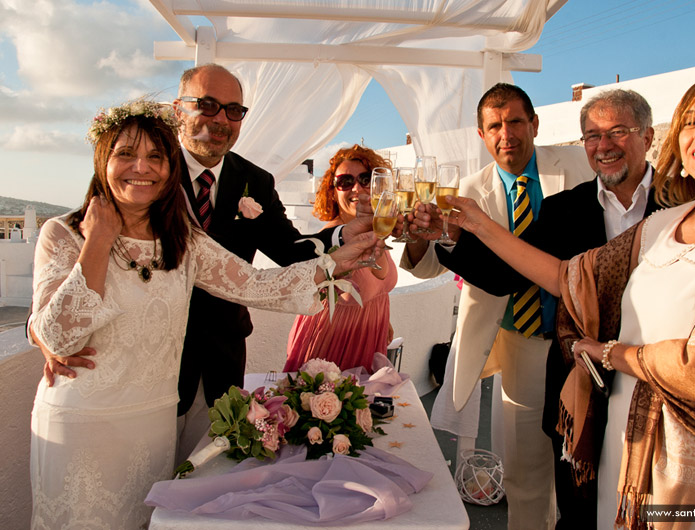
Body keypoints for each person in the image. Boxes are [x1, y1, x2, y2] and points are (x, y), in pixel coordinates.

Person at [446, 69, 695, 529]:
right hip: (612, 425)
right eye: (691, 121)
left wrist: (610, 353)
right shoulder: (661, 226)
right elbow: (564, 276)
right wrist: (472, 224)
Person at [27, 101, 375, 529]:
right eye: (125, 154)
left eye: (156, 156)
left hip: (152, 422)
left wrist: (335, 263)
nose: (142, 167)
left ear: (170, 169)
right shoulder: (61, 234)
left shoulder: (184, 240)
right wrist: (98, 240)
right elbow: (59, 338)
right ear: (103, 160)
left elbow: (255, 284)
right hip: (83, 426)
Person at [451, 88, 659, 529]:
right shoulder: (567, 209)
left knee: (648, 488)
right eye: (593, 136)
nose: (604, 146)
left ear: (649, 136)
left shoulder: (683, 202)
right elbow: (510, 272)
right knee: (568, 485)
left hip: (656, 371)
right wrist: (454, 233)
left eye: (618, 132)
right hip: (566, 358)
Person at [401, 82, 593, 529]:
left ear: (535, 124)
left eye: (515, 122)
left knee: (590, 469)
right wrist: (418, 235)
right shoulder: (466, 191)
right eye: (494, 126)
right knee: (527, 471)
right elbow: (428, 266)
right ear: (482, 136)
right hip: (522, 341)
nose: (506, 133)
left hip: (586, 342)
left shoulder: (581, 168)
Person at [284, 145, 398, 372]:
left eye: (365, 179)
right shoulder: (330, 241)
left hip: (369, 340)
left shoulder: (377, 230)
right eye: (345, 181)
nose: (357, 188)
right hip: (329, 348)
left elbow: (373, 289)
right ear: (333, 191)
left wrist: (384, 320)